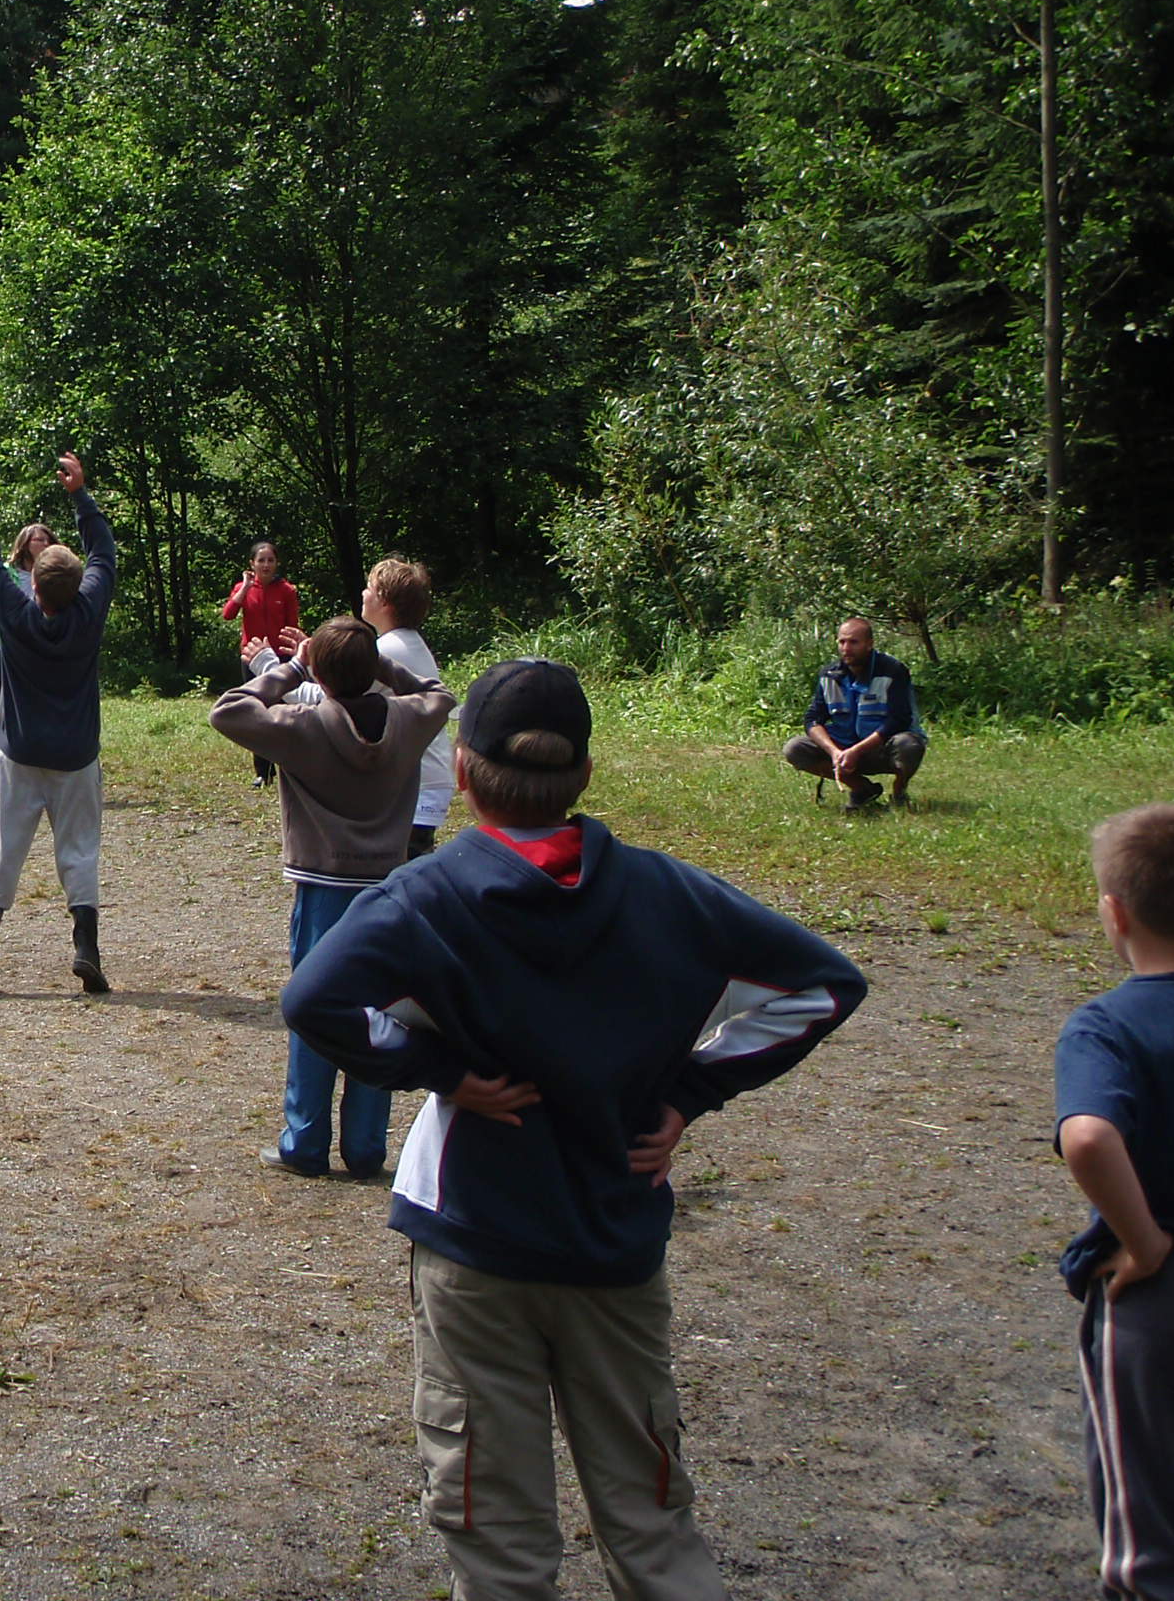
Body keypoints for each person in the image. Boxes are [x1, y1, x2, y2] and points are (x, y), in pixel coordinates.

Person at [284, 657, 868, 1601]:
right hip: (613, 1233)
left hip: (474, 1233)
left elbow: (313, 999)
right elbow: (825, 985)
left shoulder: (425, 897)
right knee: (650, 1520)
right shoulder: (670, 894)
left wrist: (442, 1073)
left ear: (462, 773)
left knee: (497, 1533)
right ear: (585, 775)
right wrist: (690, 1092)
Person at [209, 614, 451, 1179]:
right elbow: (440, 695)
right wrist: (384, 664)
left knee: (315, 1010)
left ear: (320, 673)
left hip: (323, 887)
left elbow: (228, 709)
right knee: (380, 1014)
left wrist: (293, 667)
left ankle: (305, 1140)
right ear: (373, 670)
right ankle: (365, 1146)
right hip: (386, 889)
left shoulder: (303, 726)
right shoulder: (408, 719)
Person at [1055, 803, 1174, 1601]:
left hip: (1167, 1297)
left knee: (1156, 1549)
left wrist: (1142, 1242)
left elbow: (1088, 1137)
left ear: (1115, 913)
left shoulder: (1108, 1025)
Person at [0, 444, 116, 996]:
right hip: (76, 756)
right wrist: (80, 494)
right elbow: (104, 553)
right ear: (77, 585)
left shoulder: (16, 614)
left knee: (4, 848)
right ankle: (86, 947)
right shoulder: (89, 613)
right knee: (80, 851)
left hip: (20, 752)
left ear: (35, 586)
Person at [781, 616, 927, 811]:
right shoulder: (829, 675)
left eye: (853, 642)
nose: (846, 648)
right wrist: (834, 752)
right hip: (843, 749)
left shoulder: (892, 671)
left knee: (909, 745)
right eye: (842, 642)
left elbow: (899, 720)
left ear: (869, 644)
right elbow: (813, 719)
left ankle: (899, 792)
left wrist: (857, 751)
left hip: (881, 748)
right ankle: (862, 789)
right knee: (794, 748)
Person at [364, 557, 455, 857]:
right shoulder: (406, 643)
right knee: (411, 865)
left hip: (417, 783)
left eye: (369, 588)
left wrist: (275, 670)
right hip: (428, 780)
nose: (363, 593)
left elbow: (336, 694)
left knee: (398, 868)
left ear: (385, 601)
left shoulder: (387, 649)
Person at [0, 521, 54, 805]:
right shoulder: (6, 573)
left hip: (38, 651)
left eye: (47, 540)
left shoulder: (53, 575)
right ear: (25, 544)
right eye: (38, 540)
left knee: (37, 711)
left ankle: (36, 776)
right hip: (1, 648)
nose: (43, 544)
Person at [222, 541, 302, 788]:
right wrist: (245, 587)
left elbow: (293, 625)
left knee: (283, 711)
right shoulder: (243, 588)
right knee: (256, 711)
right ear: (252, 564)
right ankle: (263, 772)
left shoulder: (286, 590)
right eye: (261, 560)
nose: (266, 565)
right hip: (252, 657)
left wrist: (293, 654)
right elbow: (228, 614)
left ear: (277, 563)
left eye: (270, 560)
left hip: (281, 657)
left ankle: (288, 768)